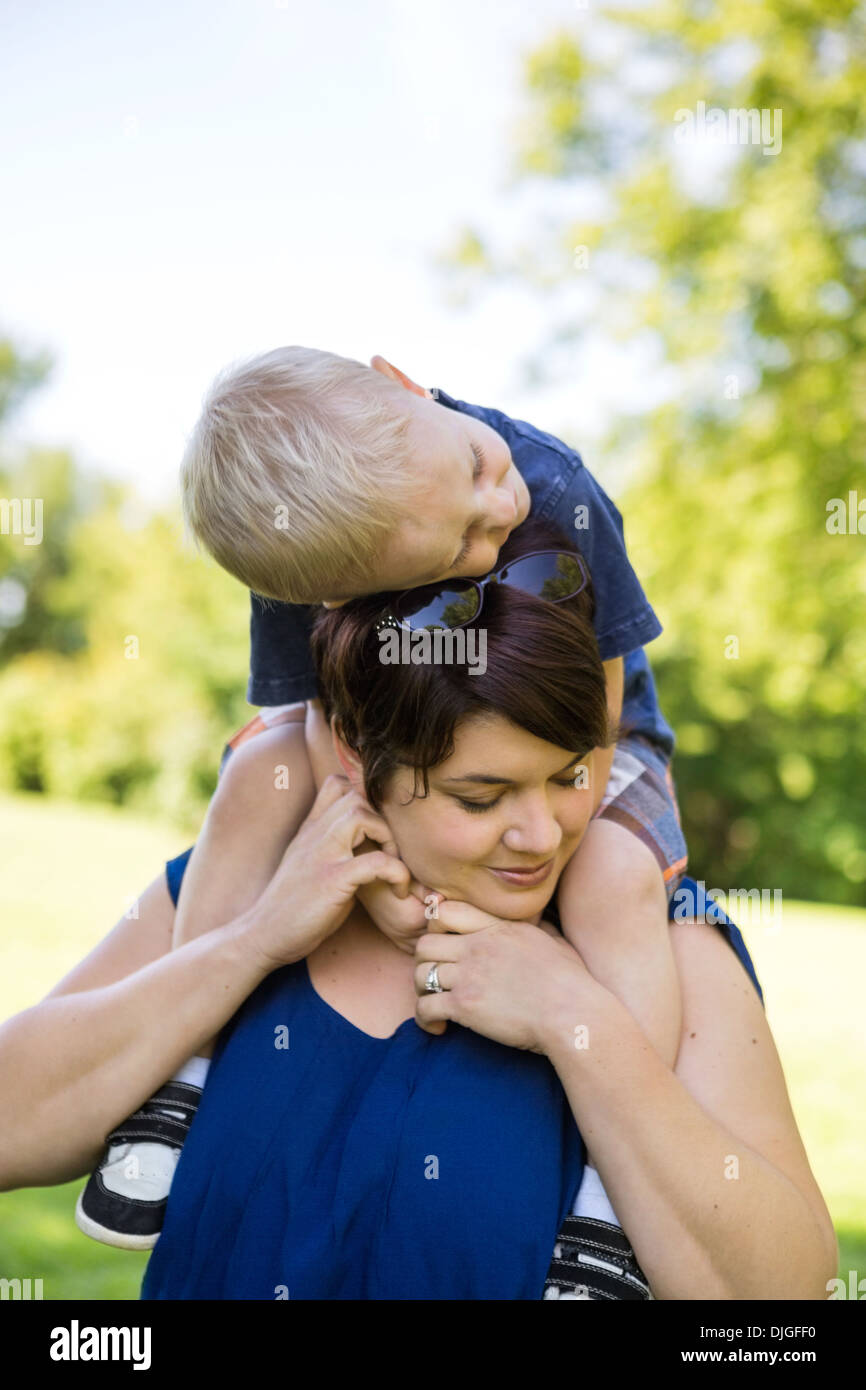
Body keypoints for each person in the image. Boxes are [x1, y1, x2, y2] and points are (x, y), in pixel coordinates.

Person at [74, 346, 690, 1249]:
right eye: (461, 549)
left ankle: (610, 1209)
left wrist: (547, 816)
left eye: (477, 471)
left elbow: (586, 724)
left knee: (613, 878)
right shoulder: (305, 545)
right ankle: (183, 1074)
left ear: (403, 381)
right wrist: (369, 851)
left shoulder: (551, 481)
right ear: (336, 591)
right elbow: (322, 720)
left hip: (590, 733)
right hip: (392, 734)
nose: (498, 510)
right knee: (254, 774)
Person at [128, 520, 834, 1300]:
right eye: (481, 795)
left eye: (570, 777)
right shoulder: (255, 882)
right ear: (358, 758)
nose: (541, 836)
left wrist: (579, 1021)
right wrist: (251, 945)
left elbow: (784, 1309)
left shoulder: (667, 935)